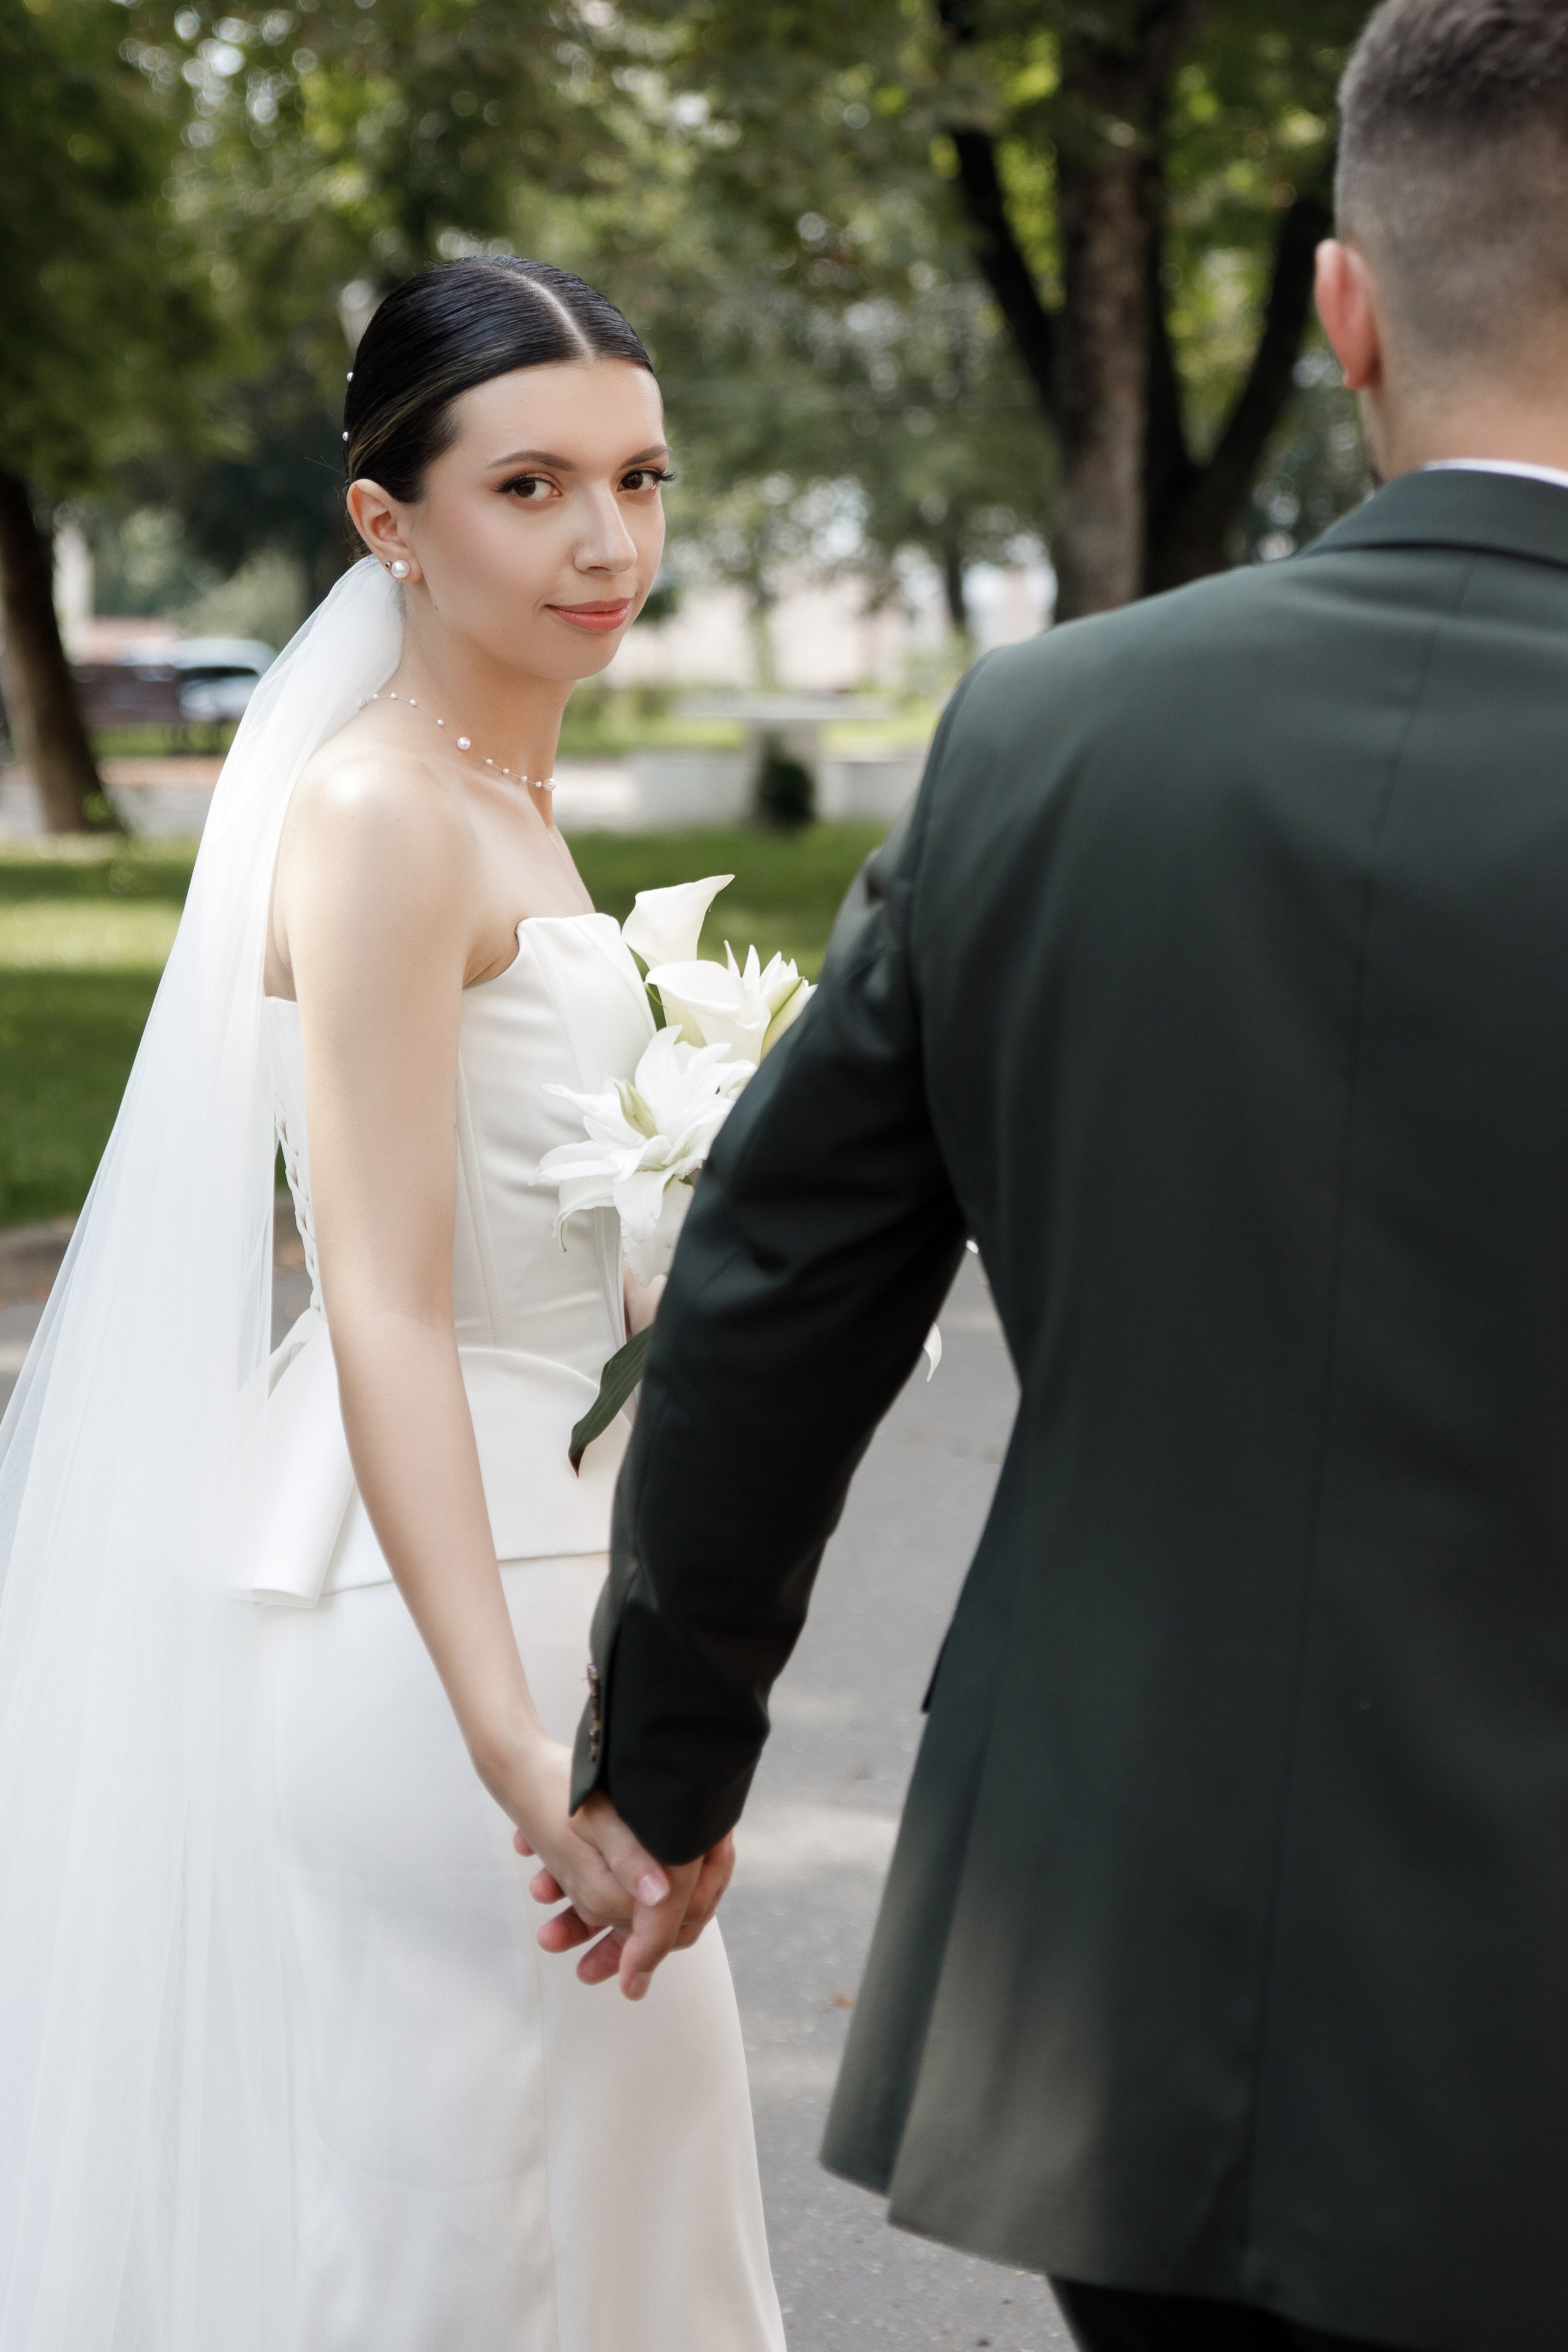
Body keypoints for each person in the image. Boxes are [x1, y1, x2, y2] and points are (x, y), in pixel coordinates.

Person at [560, 4, 1568, 2348]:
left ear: (1344, 308)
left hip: (1138, 1991)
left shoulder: (1045, 736)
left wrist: (674, 1763)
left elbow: (775, 1291)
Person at [0, 257, 783, 2352]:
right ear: (389, 520)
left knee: (609, 2213)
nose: (608, 541)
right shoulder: (374, 819)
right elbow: (384, 1310)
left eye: (640, 477)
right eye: (530, 485)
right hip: (445, 1615)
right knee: (481, 2247)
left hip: (567, 1556)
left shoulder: (509, 805)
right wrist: (519, 1744)